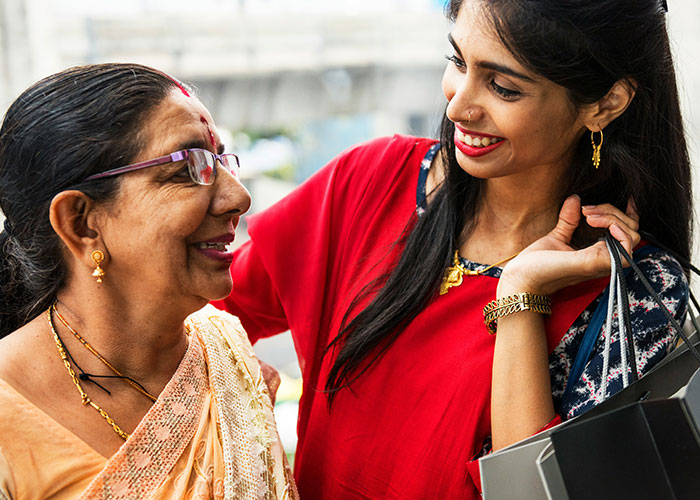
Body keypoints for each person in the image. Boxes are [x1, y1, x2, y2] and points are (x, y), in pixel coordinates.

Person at [214, 0, 691, 498]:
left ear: (604, 104)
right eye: (458, 62)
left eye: (503, 87)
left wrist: (521, 296)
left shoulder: (633, 284)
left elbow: (534, 491)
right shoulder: (372, 179)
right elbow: (201, 320)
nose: (457, 106)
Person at [0, 64, 296, 499]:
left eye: (219, 161)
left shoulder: (227, 357)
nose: (239, 198)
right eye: (189, 168)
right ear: (81, 223)